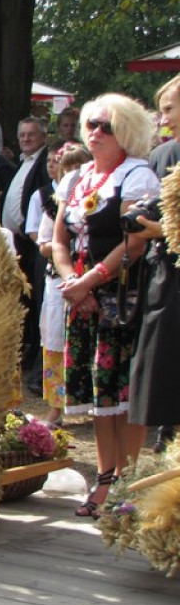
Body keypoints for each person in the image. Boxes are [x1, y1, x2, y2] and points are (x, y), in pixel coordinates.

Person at [51, 93, 160, 518]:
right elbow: (59, 239)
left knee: (123, 392)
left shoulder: (136, 175)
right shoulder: (76, 179)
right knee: (99, 393)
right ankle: (103, 476)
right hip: (81, 297)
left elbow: (134, 241)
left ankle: (126, 483)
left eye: (105, 127)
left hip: (123, 298)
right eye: (91, 124)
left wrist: (92, 280)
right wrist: (71, 283)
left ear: (126, 134)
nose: (94, 132)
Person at [130, 74, 180, 453]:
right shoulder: (164, 155)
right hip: (166, 281)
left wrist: (165, 230)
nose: (163, 121)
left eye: (168, 110)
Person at [27, 142, 91, 426]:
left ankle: (92, 401)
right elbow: (43, 243)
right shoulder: (53, 203)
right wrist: (63, 243)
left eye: (79, 167)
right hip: (59, 280)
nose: (74, 173)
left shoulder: (96, 200)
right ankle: (55, 407)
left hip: (92, 277)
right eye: (68, 168)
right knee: (54, 341)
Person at [2, 117, 52, 389]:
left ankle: (36, 357)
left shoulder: (44, 162)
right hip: (21, 242)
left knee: (35, 300)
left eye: (31, 134)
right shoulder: (24, 161)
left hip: (35, 244)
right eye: (22, 134)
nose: (26, 139)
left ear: (43, 137)